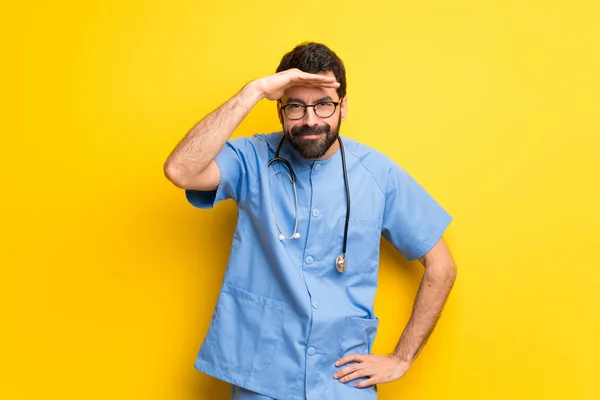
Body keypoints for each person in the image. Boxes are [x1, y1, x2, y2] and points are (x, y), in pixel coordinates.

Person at [164, 42, 457, 400]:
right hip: (263, 378)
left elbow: (442, 267)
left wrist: (401, 358)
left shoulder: (378, 174)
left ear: (343, 107)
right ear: (280, 109)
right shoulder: (251, 159)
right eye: (296, 107)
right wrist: (253, 90)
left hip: (343, 382)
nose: (310, 120)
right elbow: (180, 169)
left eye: (323, 105)